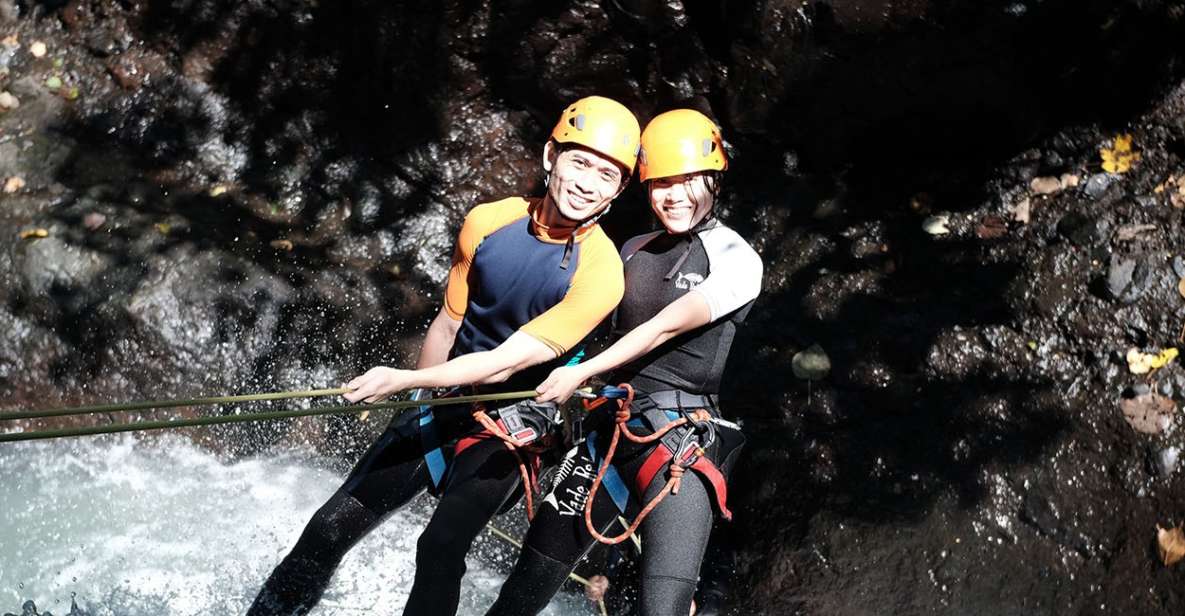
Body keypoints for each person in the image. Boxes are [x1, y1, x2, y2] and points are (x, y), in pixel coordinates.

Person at [247, 96, 640, 616]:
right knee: (329, 526)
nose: (588, 183)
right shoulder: (488, 222)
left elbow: (505, 361)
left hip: (512, 428)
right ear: (551, 156)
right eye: (580, 161)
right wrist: (420, 396)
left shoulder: (601, 271)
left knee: (439, 546)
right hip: (446, 400)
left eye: (607, 176)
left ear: (619, 191)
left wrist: (404, 377)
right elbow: (450, 321)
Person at [485, 108, 762, 616]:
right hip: (604, 437)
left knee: (663, 606)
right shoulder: (632, 248)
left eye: (687, 180)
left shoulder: (735, 257)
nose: (673, 195)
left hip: (678, 450)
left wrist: (580, 374)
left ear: (715, 179)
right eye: (660, 183)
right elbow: (591, 331)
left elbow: (663, 327)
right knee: (521, 591)